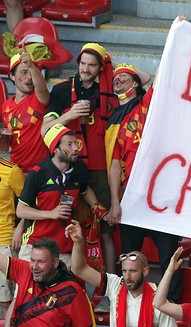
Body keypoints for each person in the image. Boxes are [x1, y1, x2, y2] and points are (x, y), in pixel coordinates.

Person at [42, 43, 143, 274]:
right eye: (83, 63)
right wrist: (70, 115)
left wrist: (111, 62)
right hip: (68, 168)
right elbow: (44, 130)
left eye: (93, 65)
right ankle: (64, 279)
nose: (86, 69)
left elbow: (143, 80)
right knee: (66, 227)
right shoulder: (62, 90)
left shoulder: (110, 87)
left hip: (101, 169)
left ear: (100, 68)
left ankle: (110, 283)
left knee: (107, 229)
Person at [104, 63, 181, 302]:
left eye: (124, 78)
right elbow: (114, 164)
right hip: (132, 195)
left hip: (160, 195)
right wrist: (115, 202)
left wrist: (122, 67)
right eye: (115, 79)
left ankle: (171, 302)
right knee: (130, 255)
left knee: (169, 253)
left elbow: (158, 77)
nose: (117, 81)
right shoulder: (114, 119)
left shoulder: (147, 104)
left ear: (136, 84)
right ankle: (132, 300)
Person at [16, 124, 105, 265]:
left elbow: (84, 189)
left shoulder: (79, 168)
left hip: (65, 250)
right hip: (35, 248)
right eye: (69, 144)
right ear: (55, 150)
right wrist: (51, 213)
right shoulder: (37, 173)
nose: (76, 148)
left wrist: (100, 210)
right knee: (29, 287)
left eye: (75, 143)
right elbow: (21, 210)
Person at [67, 220, 177, 327]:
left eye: (133, 271)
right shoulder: (115, 284)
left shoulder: (159, 299)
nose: (127, 277)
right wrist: (78, 243)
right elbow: (79, 269)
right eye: (124, 271)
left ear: (145, 271)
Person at [0, 238, 95, 326]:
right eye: (32, 260)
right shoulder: (25, 270)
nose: (34, 266)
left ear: (55, 262)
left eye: (41, 262)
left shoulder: (72, 292)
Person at [1, 51, 50, 173]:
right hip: (15, 169)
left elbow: (42, 88)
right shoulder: (5, 106)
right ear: (12, 76)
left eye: (31, 72)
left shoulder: (38, 98)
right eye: (24, 72)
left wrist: (31, 66)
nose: (29, 77)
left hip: (39, 170)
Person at [0, 156, 25, 318]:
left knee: (6, 301)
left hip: (4, 241)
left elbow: (31, 201)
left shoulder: (11, 171)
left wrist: (20, 228)